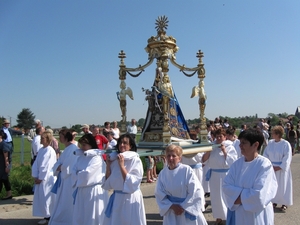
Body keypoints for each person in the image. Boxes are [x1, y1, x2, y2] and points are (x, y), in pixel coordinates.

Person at [223, 128, 278, 225]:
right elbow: (226, 186)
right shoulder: (237, 164)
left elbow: (259, 196)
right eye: (240, 142)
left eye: (244, 143)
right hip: (239, 214)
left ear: (256, 145)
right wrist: (245, 196)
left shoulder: (264, 165)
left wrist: (236, 196)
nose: (240, 146)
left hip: (256, 215)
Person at [155, 144, 207, 225]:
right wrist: (172, 206)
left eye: (173, 156)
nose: (171, 158)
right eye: (168, 156)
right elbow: (159, 193)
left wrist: (183, 206)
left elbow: (196, 191)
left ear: (179, 158)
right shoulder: (163, 173)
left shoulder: (186, 170)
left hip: (186, 210)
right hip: (171, 211)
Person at [103, 134, 146, 225]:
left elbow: (132, 182)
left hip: (130, 198)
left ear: (130, 146)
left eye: (125, 143)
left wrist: (122, 166)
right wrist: (108, 165)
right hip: (117, 197)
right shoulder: (115, 158)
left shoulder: (135, 160)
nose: (122, 145)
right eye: (120, 143)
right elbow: (108, 181)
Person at [202, 128, 238, 225]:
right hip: (214, 175)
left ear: (225, 137)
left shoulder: (230, 147)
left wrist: (224, 151)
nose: (218, 138)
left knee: (226, 196)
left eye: (220, 136)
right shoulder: (212, 146)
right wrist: (209, 151)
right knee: (216, 197)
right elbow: (203, 160)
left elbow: (233, 161)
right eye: (217, 136)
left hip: (226, 175)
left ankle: (229, 217)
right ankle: (218, 217)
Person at [72, 133, 109, 225]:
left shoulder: (96, 158)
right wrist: (78, 173)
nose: (82, 147)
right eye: (81, 145)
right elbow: (73, 170)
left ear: (91, 145)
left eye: (84, 145)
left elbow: (87, 174)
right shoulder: (80, 157)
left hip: (93, 190)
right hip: (81, 190)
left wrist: (78, 173)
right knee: (81, 215)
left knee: (93, 216)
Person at [48, 129, 78, 225]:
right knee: (62, 201)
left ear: (66, 137)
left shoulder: (73, 149)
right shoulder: (67, 148)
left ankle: (67, 221)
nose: (59, 138)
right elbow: (58, 163)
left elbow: (68, 166)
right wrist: (58, 166)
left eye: (61, 136)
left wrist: (59, 167)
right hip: (64, 179)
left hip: (69, 180)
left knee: (67, 202)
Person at [263, 125, 293, 212]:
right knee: (273, 185)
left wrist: (280, 167)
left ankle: (284, 203)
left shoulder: (285, 144)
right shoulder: (271, 143)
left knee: (283, 186)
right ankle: (274, 201)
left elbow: (287, 157)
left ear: (278, 134)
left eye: (273, 133)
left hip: (281, 169)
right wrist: (269, 165)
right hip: (272, 168)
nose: (272, 134)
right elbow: (266, 154)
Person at [32, 131, 57, 225]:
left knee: (47, 198)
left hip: (46, 179)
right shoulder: (42, 149)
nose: (41, 140)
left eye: (43, 138)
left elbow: (45, 166)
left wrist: (41, 177)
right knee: (42, 198)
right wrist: (35, 175)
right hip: (41, 178)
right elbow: (36, 163)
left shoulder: (49, 150)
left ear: (48, 139)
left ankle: (49, 217)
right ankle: (46, 216)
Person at [0, 130, 12, 200]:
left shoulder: (3, 144)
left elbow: (6, 157)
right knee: (4, 180)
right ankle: (9, 194)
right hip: (0, 165)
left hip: (3, 165)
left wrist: (7, 166)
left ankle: (9, 194)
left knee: (2, 179)